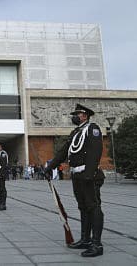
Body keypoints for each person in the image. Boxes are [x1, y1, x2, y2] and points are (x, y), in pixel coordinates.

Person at [44, 103, 104, 257]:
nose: (74, 117)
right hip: (77, 175)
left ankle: (96, 244)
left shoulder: (93, 129)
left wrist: (89, 174)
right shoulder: (76, 132)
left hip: (88, 175)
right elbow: (63, 152)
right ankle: (85, 239)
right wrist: (50, 166)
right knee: (83, 207)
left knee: (93, 206)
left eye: (76, 114)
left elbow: (95, 152)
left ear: (84, 115)